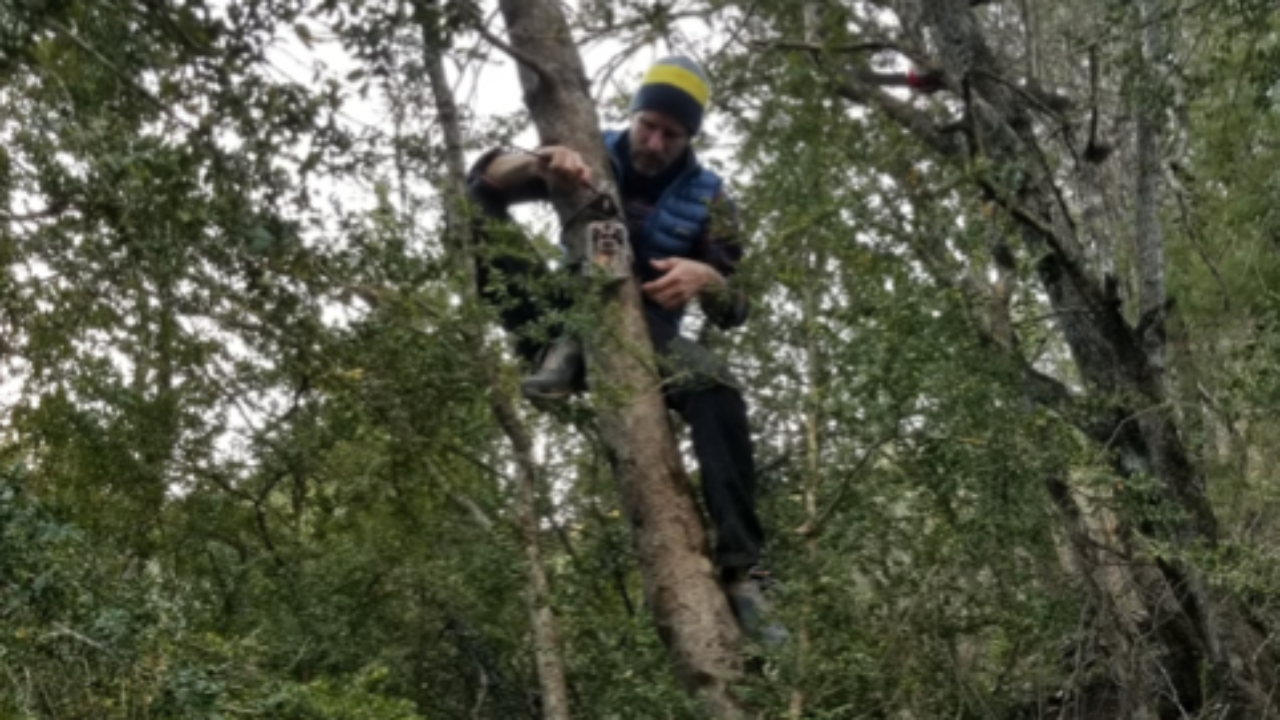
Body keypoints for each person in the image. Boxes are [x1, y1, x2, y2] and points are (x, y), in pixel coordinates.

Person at [466, 56, 785, 645]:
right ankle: (560, 347)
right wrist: (535, 162)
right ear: (633, 115)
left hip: (648, 332)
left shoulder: (711, 198)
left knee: (718, 389)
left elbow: (738, 305)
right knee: (476, 213)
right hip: (558, 310)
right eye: (649, 125)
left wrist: (707, 278)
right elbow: (482, 183)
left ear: (691, 137)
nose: (656, 142)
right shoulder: (591, 150)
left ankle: (748, 573)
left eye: (672, 133)